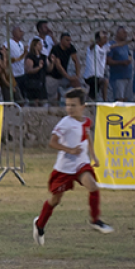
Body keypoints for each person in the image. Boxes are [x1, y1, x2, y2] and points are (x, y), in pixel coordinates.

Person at [32, 88, 113, 245]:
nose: (69, 108)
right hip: (64, 168)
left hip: (81, 164)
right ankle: (39, 224)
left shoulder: (86, 121)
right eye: (67, 105)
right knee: (55, 200)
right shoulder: (65, 123)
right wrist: (70, 150)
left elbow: (87, 136)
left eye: (73, 105)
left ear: (83, 106)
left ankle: (95, 220)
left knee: (93, 186)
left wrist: (93, 156)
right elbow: (52, 142)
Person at [45, 33, 83, 105]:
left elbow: (76, 61)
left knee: (77, 83)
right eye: (67, 40)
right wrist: (68, 77)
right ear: (61, 40)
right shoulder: (56, 49)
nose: (69, 42)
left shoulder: (70, 47)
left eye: (70, 40)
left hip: (63, 76)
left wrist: (77, 75)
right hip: (53, 76)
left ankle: (79, 103)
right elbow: (58, 66)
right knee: (52, 99)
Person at [107, 27, 134, 102]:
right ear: (118, 34)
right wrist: (121, 63)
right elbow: (108, 61)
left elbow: (128, 55)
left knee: (128, 100)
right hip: (118, 77)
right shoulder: (112, 45)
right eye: (124, 33)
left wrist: (129, 60)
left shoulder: (125, 45)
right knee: (119, 100)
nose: (126, 35)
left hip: (128, 76)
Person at [84, 31, 110, 102]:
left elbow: (117, 45)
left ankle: (87, 102)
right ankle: (105, 101)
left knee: (92, 96)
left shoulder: (105, 48)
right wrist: (97, 40)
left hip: (98, 76)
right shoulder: (93, 47)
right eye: (104, 37)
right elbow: (91, 46)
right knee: (105, 81)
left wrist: (131, 40)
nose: (106, 39)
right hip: (90, 76)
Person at [22, 38, 49, 106]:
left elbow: (48, 69)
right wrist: (38, 67)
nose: (41, 46)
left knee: (43, 102)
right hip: (33, 83)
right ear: (34, 46)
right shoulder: (30, 57)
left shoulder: (43, 57)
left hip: (42, 82)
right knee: (34, 103)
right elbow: (29, 70)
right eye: (39, 44)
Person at [7, 26, 27, 104]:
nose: (22, 33)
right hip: (14, 74)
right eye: (20, 31)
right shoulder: (9, 43)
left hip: (21, 72)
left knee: (22, 93)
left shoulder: (21, 44)